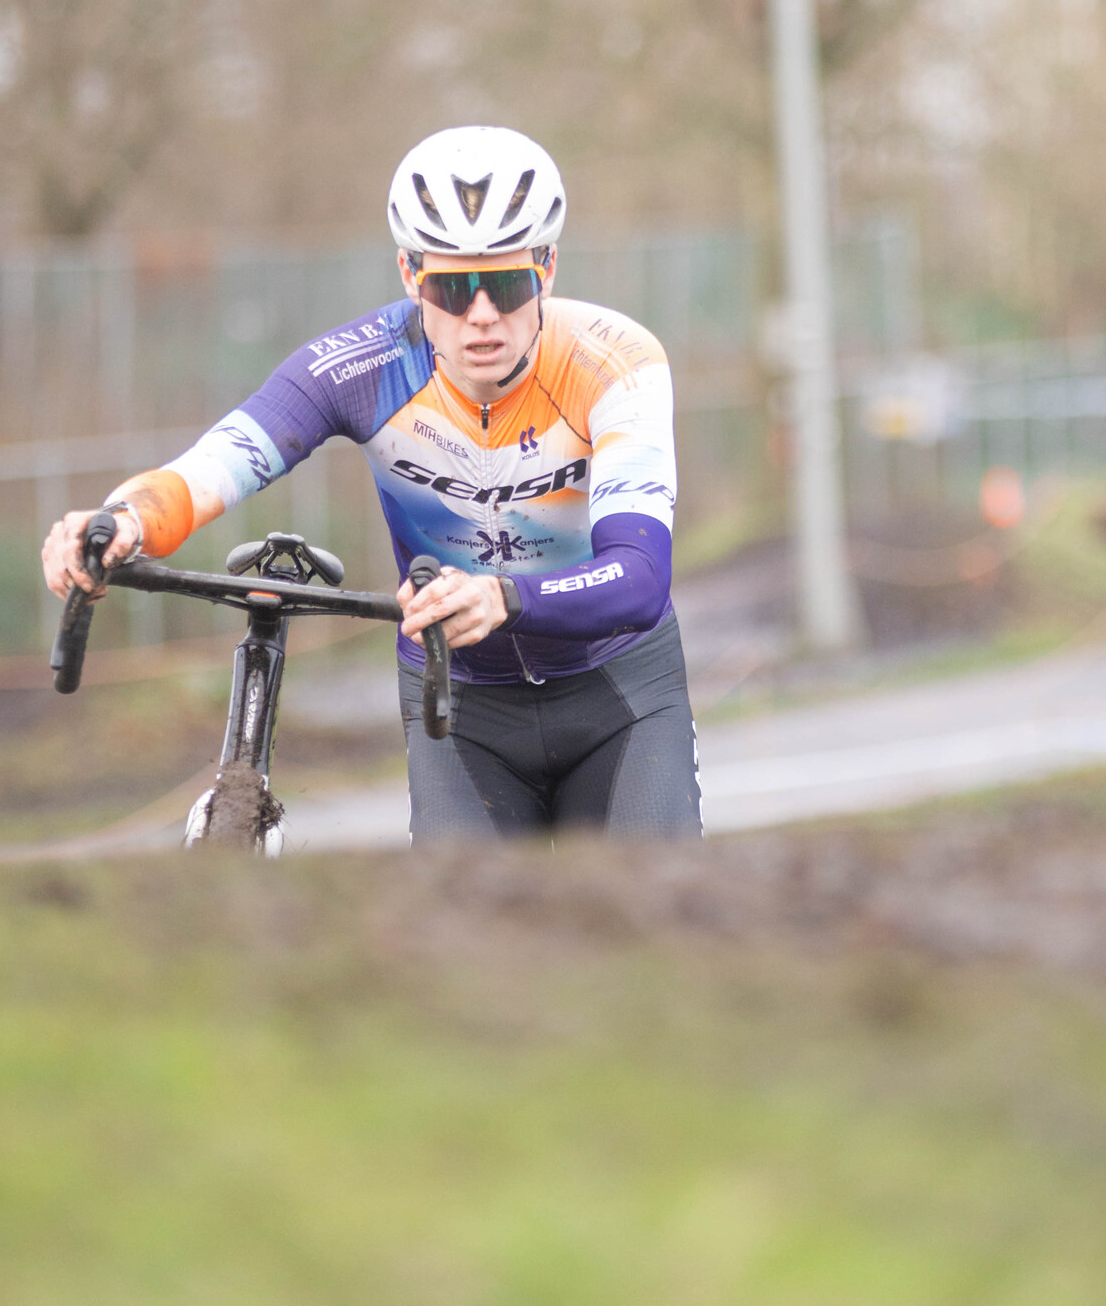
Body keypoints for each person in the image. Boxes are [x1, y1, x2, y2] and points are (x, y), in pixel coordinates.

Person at [40, 125, 701, 839]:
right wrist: (124, 520)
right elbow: (216, 464)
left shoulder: (614, 362)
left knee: (657, 928)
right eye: (452, 288)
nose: (482, 315)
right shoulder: (364, 367)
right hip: (463, 703)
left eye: (507, 284)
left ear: (546, 268)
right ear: (411, 275)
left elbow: (639, 576)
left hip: (619, 688)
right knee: (469, 940)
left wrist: (505, 597)